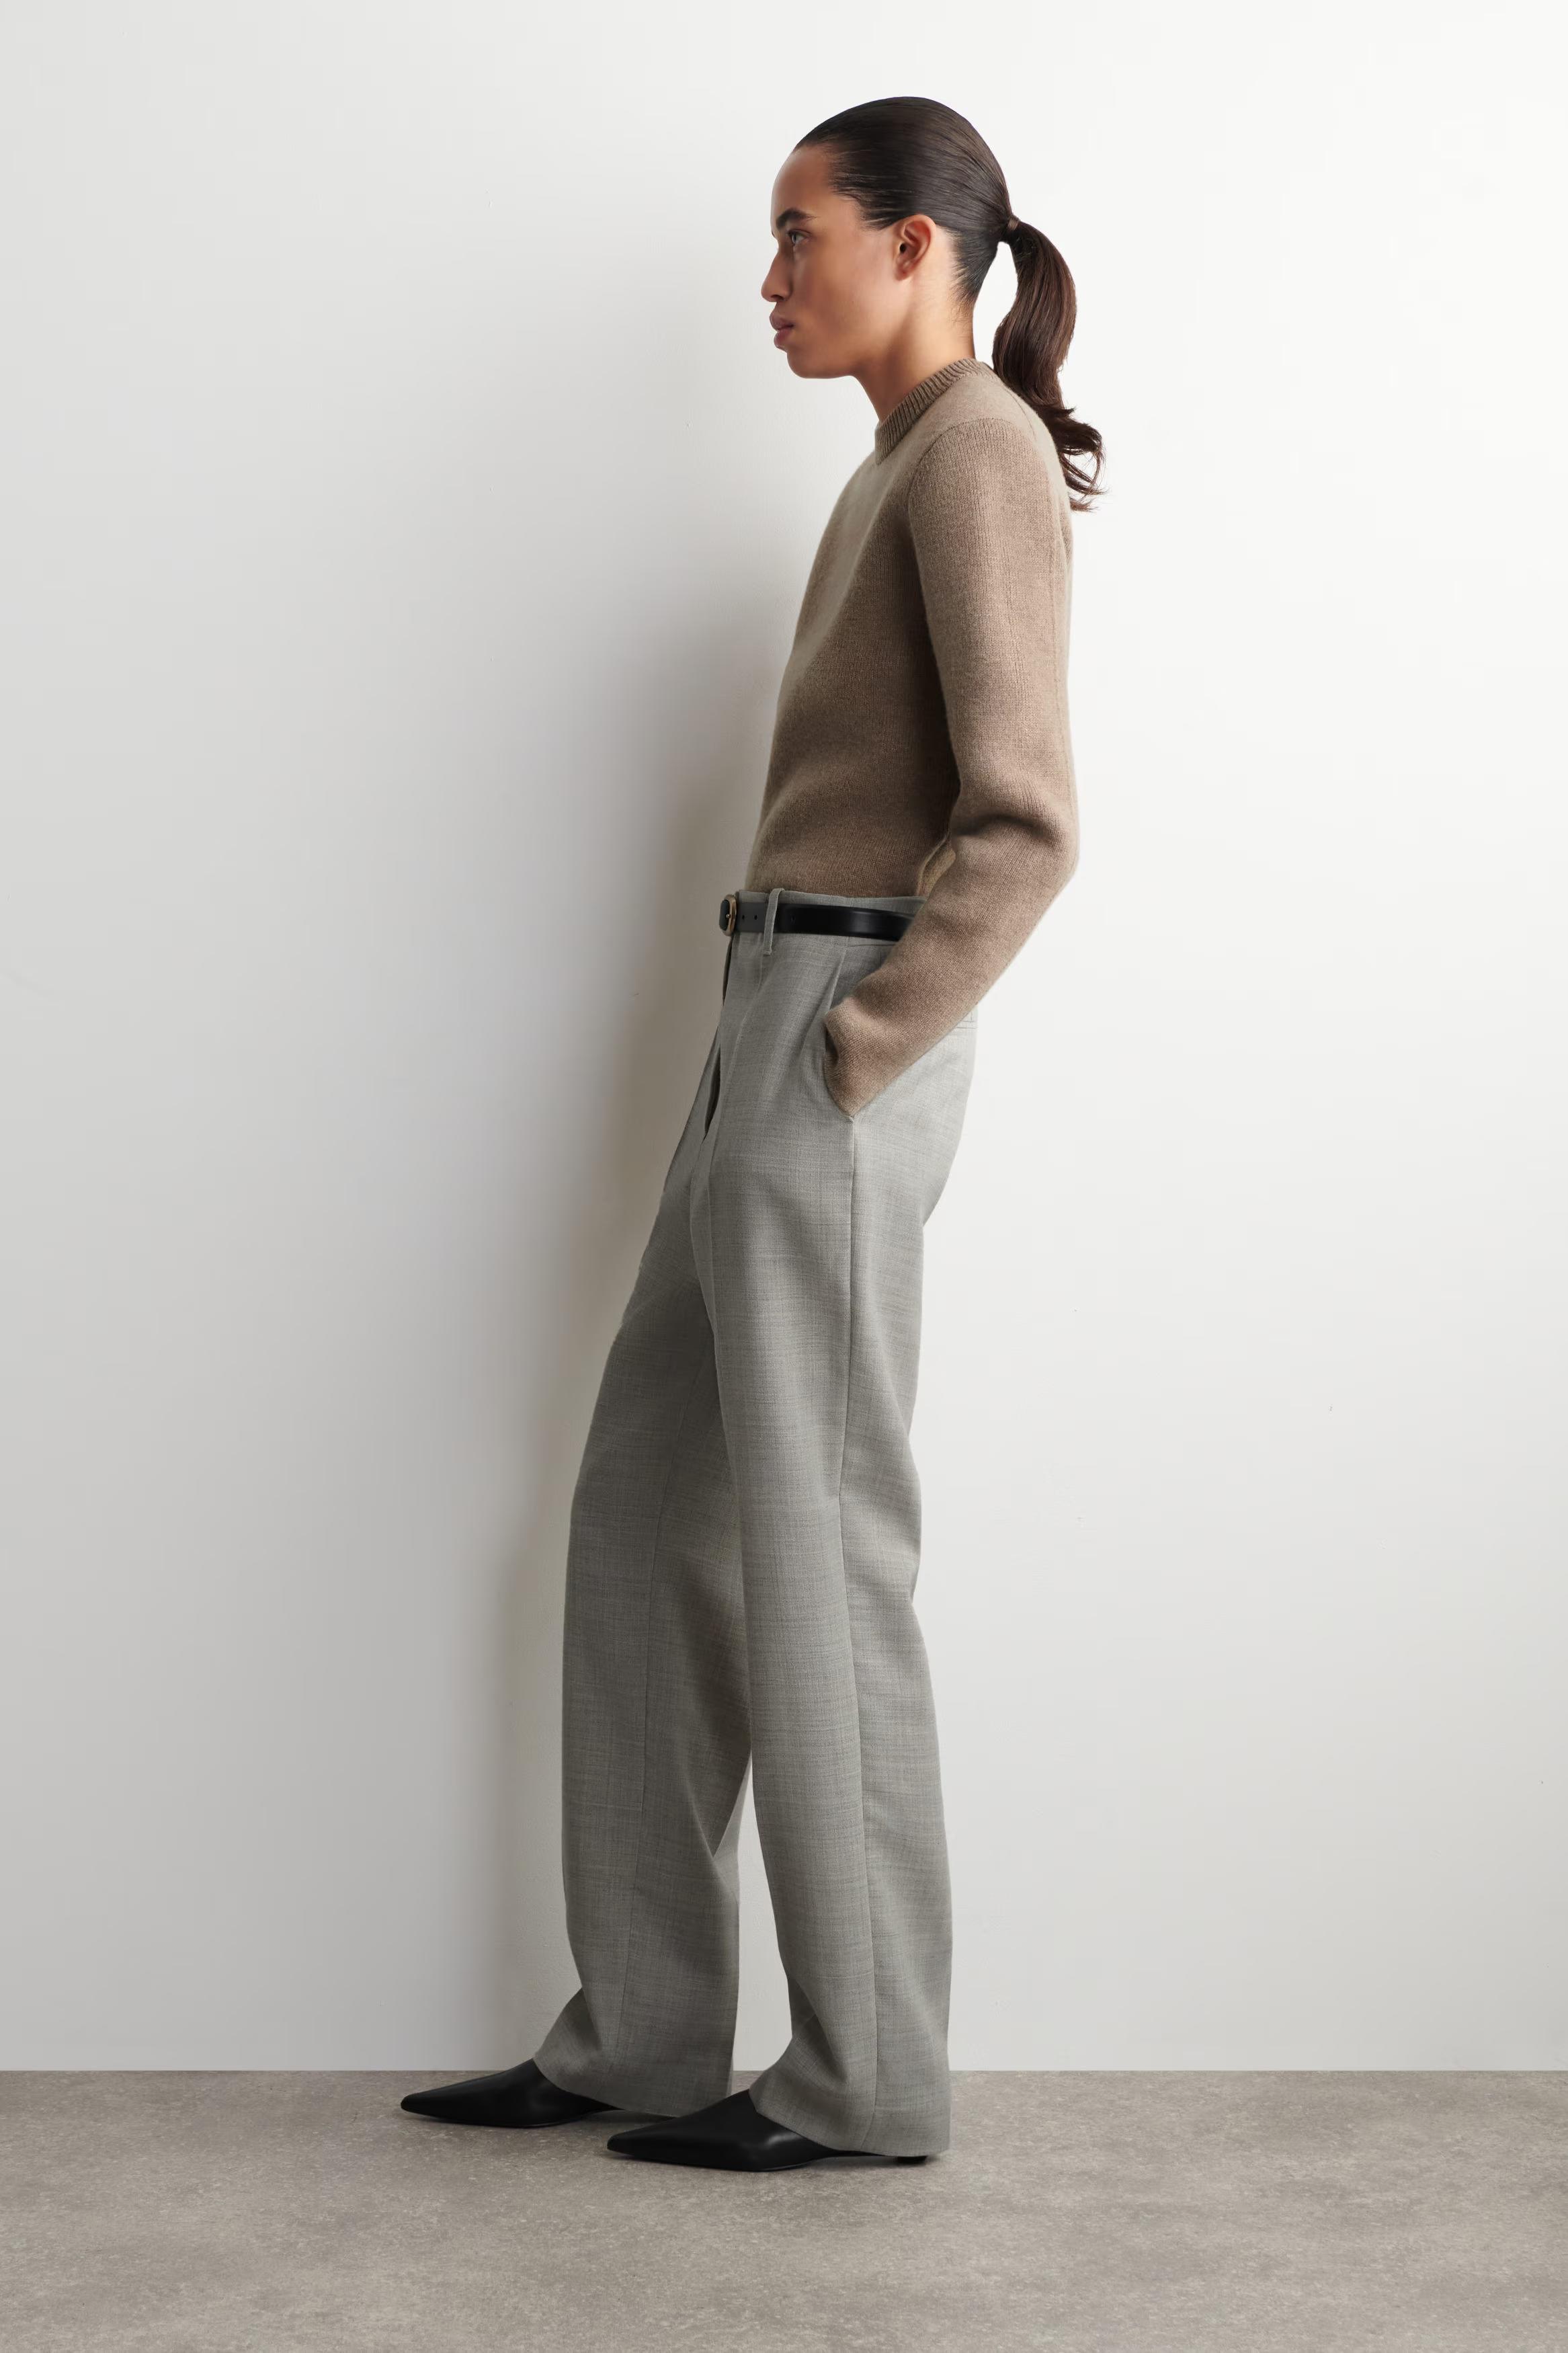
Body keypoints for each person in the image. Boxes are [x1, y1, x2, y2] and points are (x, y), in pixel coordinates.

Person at [401, 92, 1102, 2173]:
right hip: (768, 1012)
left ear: (915, 246)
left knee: (821, 1548)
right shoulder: (897, 461)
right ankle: (642, 2029)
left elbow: (1028, 820)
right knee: (644, 1512)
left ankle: (867, 2073)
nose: (771, 276)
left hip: (838, 1025)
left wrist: (862, 1040)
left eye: (802, 231)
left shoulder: (972, 455)